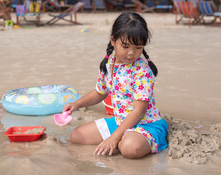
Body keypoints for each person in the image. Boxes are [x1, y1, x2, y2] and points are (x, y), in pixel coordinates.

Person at [63, 12, 168, 159]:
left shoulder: (143, 72)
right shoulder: (108, 65)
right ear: (113, 40)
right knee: (76, 136)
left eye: (138, 47)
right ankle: (122, 138)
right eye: (125, 46)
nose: (131, 53)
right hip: (121, 122)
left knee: (129, 149)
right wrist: (76, 103)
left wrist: (114, 138)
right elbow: (100, 92)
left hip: (146, 125)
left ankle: (127, 140)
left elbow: (138, 111)